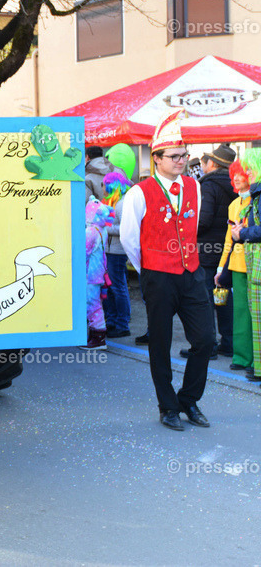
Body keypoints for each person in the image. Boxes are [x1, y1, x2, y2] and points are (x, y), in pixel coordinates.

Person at [120, 109, 214, 431]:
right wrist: (150, 268)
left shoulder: (194, 187)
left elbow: (192, 228)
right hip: (158, 276)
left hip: (192, 273)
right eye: (174, 156)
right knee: (159, 344)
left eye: (184, 155)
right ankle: (168, 406)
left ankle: (188, 399)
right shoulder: (138, 193)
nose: (181, 160)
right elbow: (130, 239)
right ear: (156, 158)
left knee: (205, 339)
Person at [186, 144, 237, 360]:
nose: (202, 165)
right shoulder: (235, 185)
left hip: (206, 250)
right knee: (222, 295)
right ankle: (228, 342)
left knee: (205, 298)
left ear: (213, 164)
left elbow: (203, 221)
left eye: (205, 161)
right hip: (226, 250)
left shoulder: (208, 186)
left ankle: (209, 346)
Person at [217, 159, 254, 376]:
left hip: (255, 264)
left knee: (255, 313)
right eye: (234, 175)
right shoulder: (233, 205)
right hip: (238, 266)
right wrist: (221, 268)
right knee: (240, 312)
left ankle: (254, 357)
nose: (236, 178)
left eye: (241, 174)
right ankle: (242, 357)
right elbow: (228, 241)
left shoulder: (256, 202)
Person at [230, 149, 261, 383]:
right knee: (249, 315)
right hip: (247, 263)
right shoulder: (248, 199)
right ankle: (252, 364)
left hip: (255, 264)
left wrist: (244, 232)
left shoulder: (257, 197)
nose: (245, 174)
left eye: (249, 168)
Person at [100, 164, 133, 338]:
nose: (103, 188)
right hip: (109, 250)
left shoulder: (121, 204)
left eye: (105, 184)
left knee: (118, 287)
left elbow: (125, 228)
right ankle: (111, 321)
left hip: (117, 252)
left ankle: (122, 324)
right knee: (110, 287)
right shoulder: (113, 202)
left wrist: (104, 227)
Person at [82, 198, 114, 350]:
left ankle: (98, 339)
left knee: (92, 305)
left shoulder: (90, 232)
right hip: (99, 273)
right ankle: (96, 336)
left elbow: (84, 254)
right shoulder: (102, 229)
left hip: (90, 275)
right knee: (95, 304)